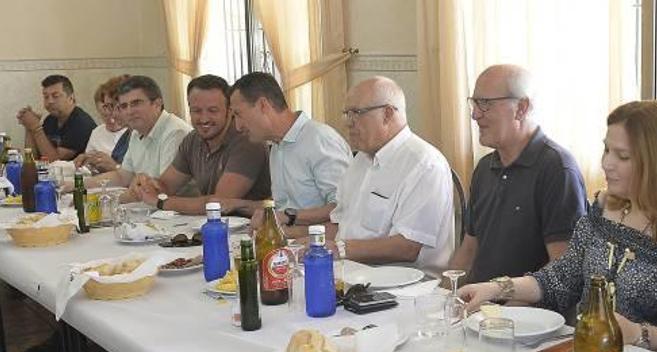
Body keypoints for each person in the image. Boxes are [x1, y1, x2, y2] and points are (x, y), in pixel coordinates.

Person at [459, 100, 657, 352]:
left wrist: (638, 334)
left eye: (623, 156)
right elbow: (561, 279)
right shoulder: (606, 207)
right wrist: (495, 288)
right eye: (606, 150)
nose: (606, 164)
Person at [447, 64, 587, 284]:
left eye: (485, 104)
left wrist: (506, 307)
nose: (475, 115)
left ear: (522, 108)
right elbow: (468, 250)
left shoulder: (557, 169)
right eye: (474, 103)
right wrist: (445, 299)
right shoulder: (484, 168)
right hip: (481, 309)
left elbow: (564, 266)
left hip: (529, 313)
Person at [321, 76, 454, 273]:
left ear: (388, 114)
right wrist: (309, 242)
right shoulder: (360, 160)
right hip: (353, 276)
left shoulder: (424, 164)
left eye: (356, 113)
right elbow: (341, 225)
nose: (348, 123)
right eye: (346, 114)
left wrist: (339, 249)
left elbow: (407, 247)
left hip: (407, 290)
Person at [131, 74, 271, 215]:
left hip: (249, 229)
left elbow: (219, 203)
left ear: (229, 110)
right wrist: (146, 184)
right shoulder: (192, 140)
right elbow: (165, 185)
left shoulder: (247, 141)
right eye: (196, 111)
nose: (204, 118)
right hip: (209, 225)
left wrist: (161, 202)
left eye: (212, 111)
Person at [229, 72, 349, 224]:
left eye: (238, 114)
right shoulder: (277, 145)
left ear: (263, 105)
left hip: (321, 244)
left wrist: (289, 216)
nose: (238, 126)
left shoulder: (320, 140)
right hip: (291, 239)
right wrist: (246, 207)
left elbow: (343, 207)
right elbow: (285, 205)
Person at [86, 75, 191, 191]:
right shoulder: (136, 132)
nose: (129, 111)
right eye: (124, 106)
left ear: (157, 104)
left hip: (171, 206)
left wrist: (110, 200)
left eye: (136, 103)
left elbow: (161, 189)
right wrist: (76, 185)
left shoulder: (175, 133)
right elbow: (122, 177)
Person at [16, 75, 96, 161]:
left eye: (55, 96)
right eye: (46, 97)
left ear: (71, 98)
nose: (50, 101)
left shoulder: (81, 123)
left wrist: (36, 128)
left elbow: (55, 161)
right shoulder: (50, 119)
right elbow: (32, 157)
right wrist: (29, 127)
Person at [73, 75, 130, 174]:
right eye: (107, 108)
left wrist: (115, 167)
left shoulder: (139, 133)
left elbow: (141, 178)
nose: (113, 117)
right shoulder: (128, 136)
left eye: (114, 107)